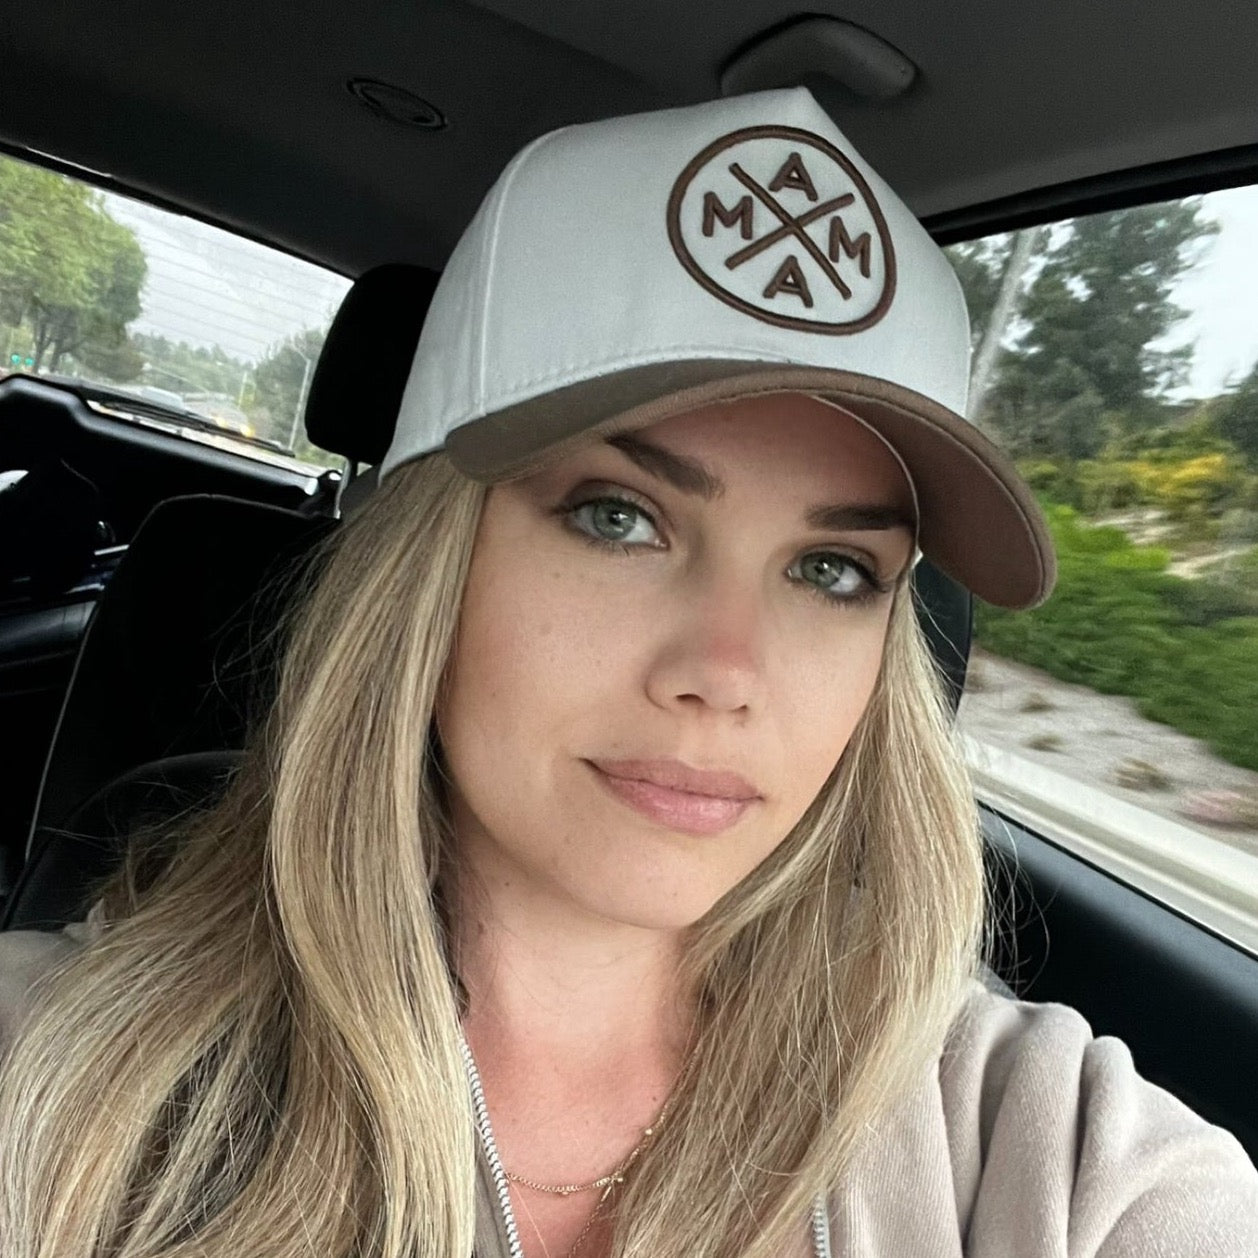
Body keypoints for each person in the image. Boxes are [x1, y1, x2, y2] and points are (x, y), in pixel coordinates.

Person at [1, 87, 1256, 1258]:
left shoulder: (1020, 1133)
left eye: (831, 570)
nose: (725, 672)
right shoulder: (61, 1079)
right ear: (429, 564)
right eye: (617, 516)